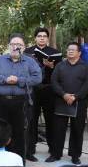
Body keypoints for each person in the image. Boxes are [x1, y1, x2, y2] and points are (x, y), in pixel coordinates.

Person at [0, 33, 42, 161]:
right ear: (9, 46)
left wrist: (19, 80)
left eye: (19, 45)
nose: (16, 47)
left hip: (21, 103)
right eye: (13, 44)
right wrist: (5, 80)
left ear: (24, 47)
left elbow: (37, 78)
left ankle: (18, 162)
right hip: (0, 102)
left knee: (20, 132)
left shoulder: (30, 62)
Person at [48, 42, 88, 164]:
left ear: (79, 53)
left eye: (73, 50)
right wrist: (64, 94)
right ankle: (55, 154)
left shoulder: (86, 67)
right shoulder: (60, 66)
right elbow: (54, 81)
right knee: (58, 129)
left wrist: (76, 96)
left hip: (79, 102)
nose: (70, 51)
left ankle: (75, 155)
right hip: (61, 100)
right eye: (68, 49)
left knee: (77, 129)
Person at [24, 27, 61, 160]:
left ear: (47, 38)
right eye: (39, 36)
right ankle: (30, 149)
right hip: (32, 90)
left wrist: (52, 67)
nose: (42, 38)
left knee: (50, 120)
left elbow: (59, 72)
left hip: (49, 89)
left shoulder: (54, 53)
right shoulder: (28, 52)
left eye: (44, 36)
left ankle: (52, 149)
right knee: (31, 120)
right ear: (35, 38)